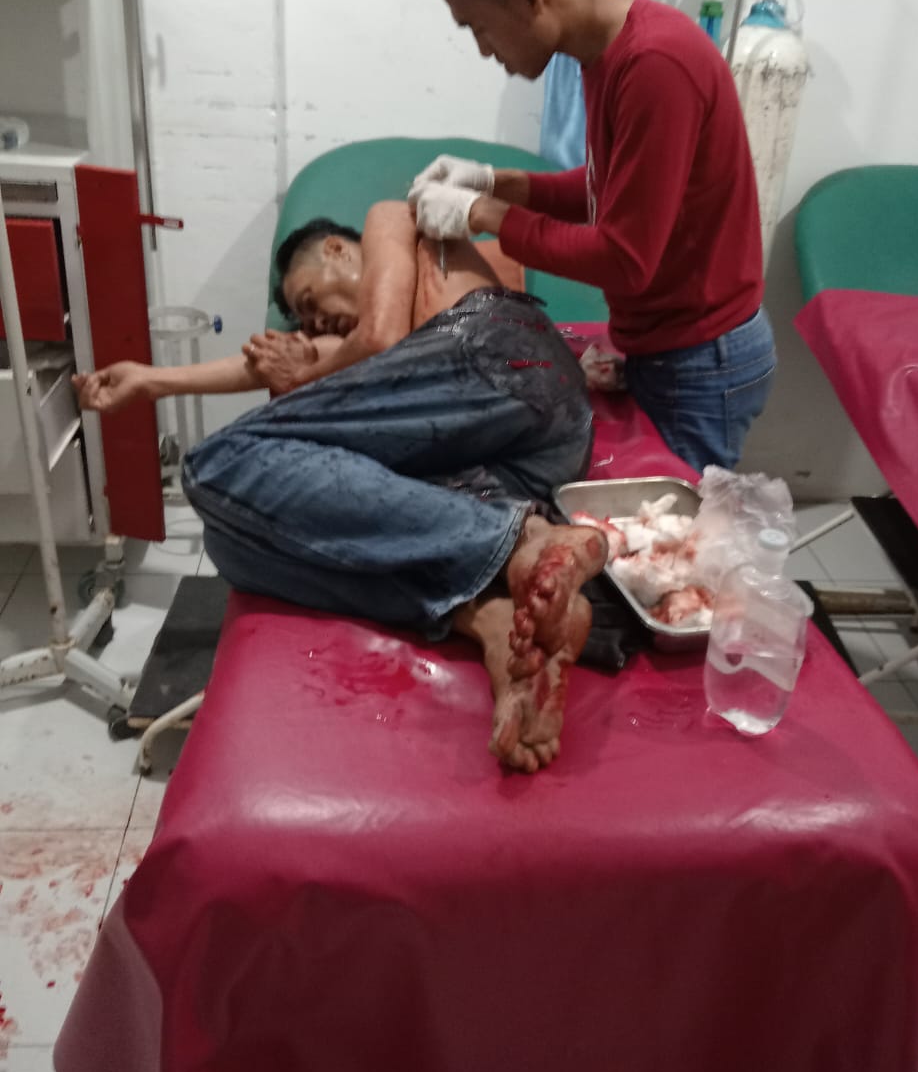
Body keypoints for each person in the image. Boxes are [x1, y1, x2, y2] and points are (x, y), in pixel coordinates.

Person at [73, 201, 608, 774]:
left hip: (502, 356)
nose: (315, 322)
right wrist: (150, 380)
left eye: (309, 301)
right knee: (233, 546)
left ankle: (520, 539)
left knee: (214, 463)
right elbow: (288, 361)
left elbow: (377, 336)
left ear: (335, 249)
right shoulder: (367, 351)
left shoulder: (393, 220)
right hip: (528, 463)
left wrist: (304, 371)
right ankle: (487, 619)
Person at [409, 0, 776, 474]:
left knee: (676, 529)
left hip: (700, 360)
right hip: (667, 346)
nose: (484, 49)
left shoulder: (655, 63)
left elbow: (625, 258)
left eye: (478, 27)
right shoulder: (606, 54)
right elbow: (612, 188)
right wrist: (495, 181)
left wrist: (483, 214)